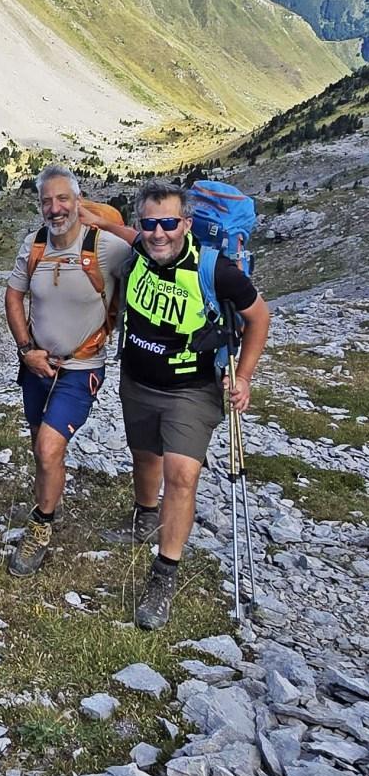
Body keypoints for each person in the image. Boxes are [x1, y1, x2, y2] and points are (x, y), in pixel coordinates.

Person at [94, 180, 270, 630]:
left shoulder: (215, 269)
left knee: (182, 475)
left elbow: (259, 317)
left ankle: (164, 573)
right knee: (145, 457)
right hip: (137, 381)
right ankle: (144, 516)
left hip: (192, 389)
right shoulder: (139, 250)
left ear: (186, 224)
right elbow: (109, 225)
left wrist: (244, 376)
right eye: (150, 223)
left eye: (169, 223)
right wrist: (72, 207)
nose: (159, 233)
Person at [5, 166, 133, 576]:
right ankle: (51, 499)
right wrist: (26, 349)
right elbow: (13, 296)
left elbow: (153, 251)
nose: (55, 208)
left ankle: (40, 527)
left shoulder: (107, 247)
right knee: (40, 446)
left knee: (47, 447)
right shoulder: (34, 245)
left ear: (78, 201)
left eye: (63, 199)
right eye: (47, 201)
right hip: (37, 365)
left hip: (81, 368)